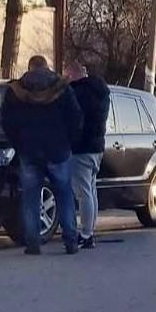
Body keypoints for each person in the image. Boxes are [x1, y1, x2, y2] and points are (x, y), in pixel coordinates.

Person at [0, 55, 83, 255]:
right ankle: (71, 240)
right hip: (58, 149)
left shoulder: (16, 91)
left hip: (28, 150)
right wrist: (68, 142)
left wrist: (18, 144)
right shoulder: (62, 88)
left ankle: (33, 243)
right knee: (64, 194)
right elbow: (76, 118)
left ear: (29, 68)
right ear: (47, 67)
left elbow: (6, 121)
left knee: (30, 197)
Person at [65, 62, 110, 249]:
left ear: (73, 75)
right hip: (97, 147)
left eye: (67, 75)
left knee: (84, 193)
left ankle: (85, 234)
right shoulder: (101, 91)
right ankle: (90, 230)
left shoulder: (78, 94)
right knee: (91, 191)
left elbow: (74, 120)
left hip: (81, 148)